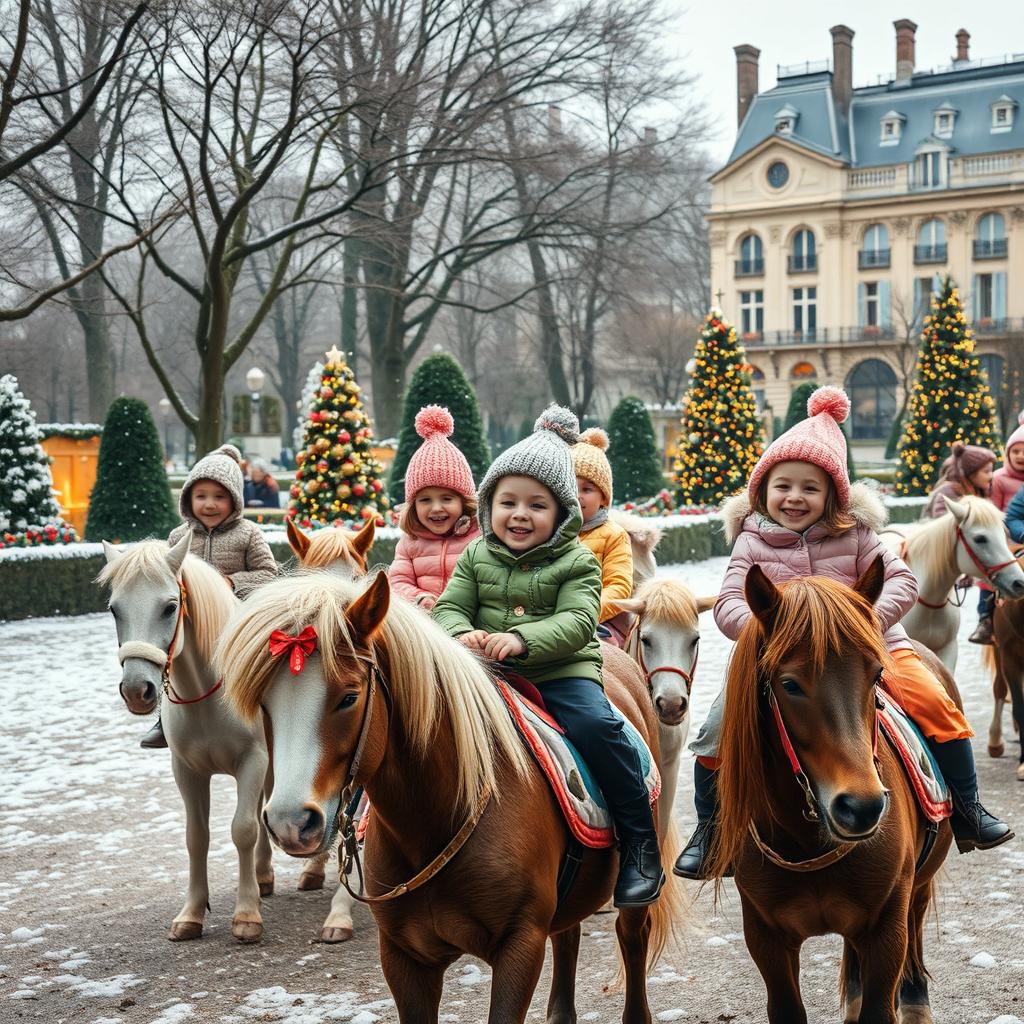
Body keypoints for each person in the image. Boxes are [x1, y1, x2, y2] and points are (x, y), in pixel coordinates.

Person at [674, 386, 1013, 880]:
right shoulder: (751, 541)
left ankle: (968, 808)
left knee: (935, 704)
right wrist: (772, 635)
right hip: (778, 659)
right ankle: (711, 830)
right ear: (762, 490)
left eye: (811, 488)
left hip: (869, 652)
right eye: (782, 485)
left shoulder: (857, 535)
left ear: (833, 494)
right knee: (716, 729)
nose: (795, 497)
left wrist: (865, 624)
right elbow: (729, 602)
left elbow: (903, 580)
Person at [432, 406, 665, 906]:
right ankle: (372, 824)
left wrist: (521, 638)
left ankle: (640, 844)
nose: (520, 514)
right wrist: (461, 634)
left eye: (537, 505)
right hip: (484, 672)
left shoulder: (578, 560)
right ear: (488, 506)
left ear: (562, 514)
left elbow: (580, 621)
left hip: (561, 671)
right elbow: (449, 607)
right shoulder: (476, 556)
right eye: (507, 501)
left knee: (597, 727)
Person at [141, 444, 278, 749]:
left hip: (235, 619)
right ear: (188, 498)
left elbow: (268, 573)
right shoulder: (179, 537)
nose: (210, 505)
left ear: (235, 500)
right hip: (191, 623)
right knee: (168, 651)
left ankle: (269, 708)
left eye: (220, 497)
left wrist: (232, 582)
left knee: (265, 653)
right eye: (201, 496)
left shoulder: (248, 534)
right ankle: (165, 717)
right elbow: (165, 579)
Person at [388, 405, 480, 610]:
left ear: (464, 501)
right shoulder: (410, 541)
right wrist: (419, 598)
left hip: (469, 622)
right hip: (424, 625)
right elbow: (397, 582)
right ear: (413, 505)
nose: (436, 508)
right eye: (425, 500)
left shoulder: (479, 537)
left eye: (447, 499)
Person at [923, 442, 998, 644]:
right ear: (971, 472)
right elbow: (945, 531)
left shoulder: (979, 491)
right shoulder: (949, 492)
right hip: (936, 561)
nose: (991, 476)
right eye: (987, 471)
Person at [571, 427, 633, 644]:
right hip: (554, 618)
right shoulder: (549, 531)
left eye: (587, 489)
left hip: (601, 620)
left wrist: (587, 613)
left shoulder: (613, 535)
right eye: (570, 486)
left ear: (604, 499)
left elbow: (618, 586)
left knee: (605, 650)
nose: (577, 495)